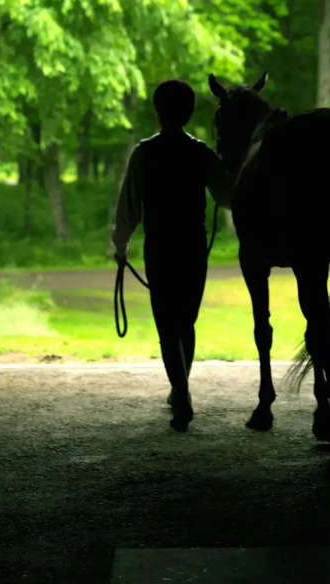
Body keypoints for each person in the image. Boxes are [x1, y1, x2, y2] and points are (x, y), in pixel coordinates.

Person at [112, 79, 233, 432]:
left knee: (167, 325)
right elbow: (227, 197)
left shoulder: (144, 152)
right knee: (186, 323)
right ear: (190, 112)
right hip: (193, 246)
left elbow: (129, 206)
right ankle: (180, 389)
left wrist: (120, 246)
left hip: (160, 247)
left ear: (157, 110)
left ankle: (180, 393)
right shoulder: (201, 153)